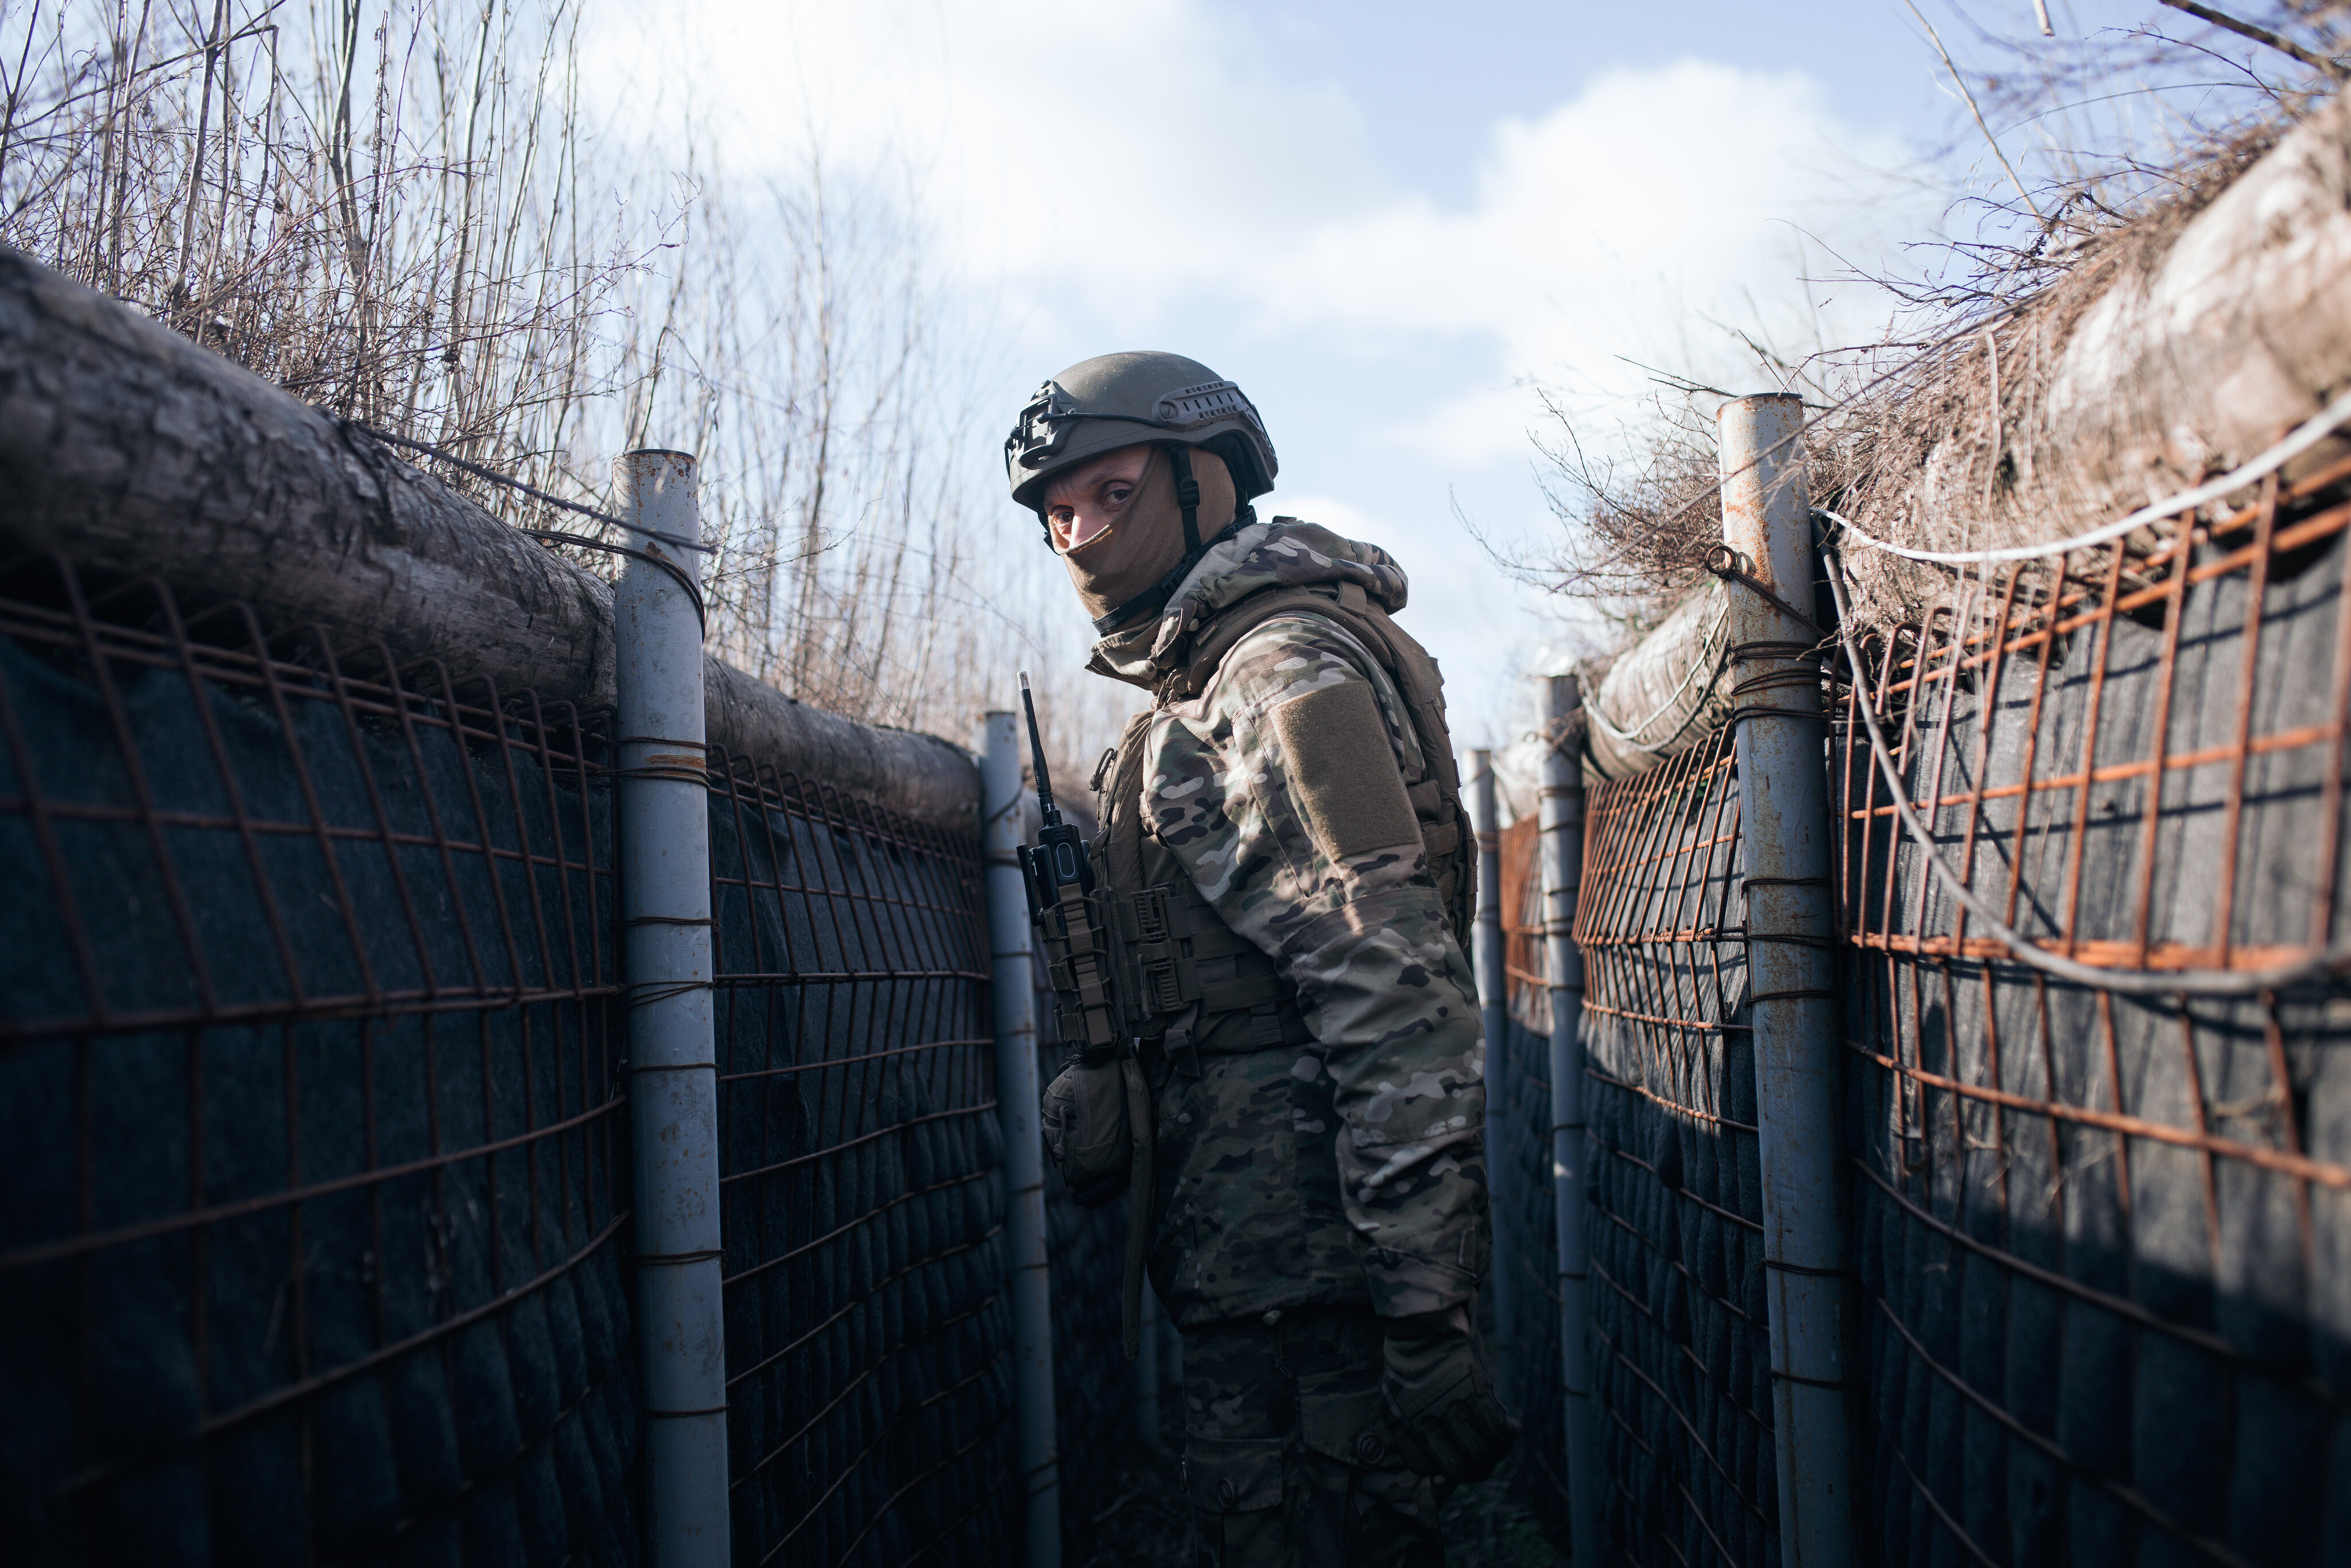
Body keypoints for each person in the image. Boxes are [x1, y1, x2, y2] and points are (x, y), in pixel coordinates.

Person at [1005, 351, 1516, 1566]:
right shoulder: (1214, 672)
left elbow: (1392, 992)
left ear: (1206, 480)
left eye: (1110, 494)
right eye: (1056, 511)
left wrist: (1423, 1305)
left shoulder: (1276, 675)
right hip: (1267, 1270)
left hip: (1318, 1285)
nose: (1078, 534)